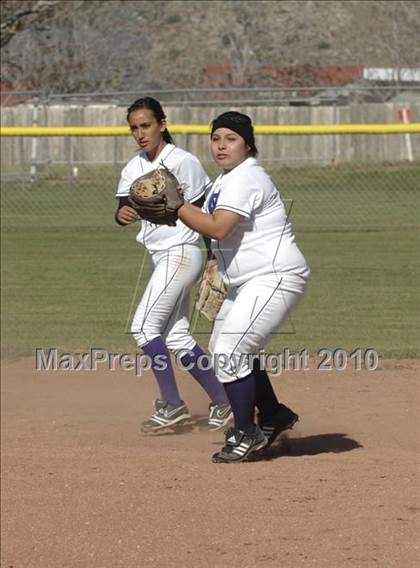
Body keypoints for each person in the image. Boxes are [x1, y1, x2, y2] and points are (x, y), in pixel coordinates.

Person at [174, 111, 311, 463]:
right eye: (216, 138)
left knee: (232, 348)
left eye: (231, 138)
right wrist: (212, 259)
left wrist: (177, 206)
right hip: (251, 279)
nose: (221, 145)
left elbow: (219, 227)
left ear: (248, 145)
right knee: (225, 347)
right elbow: (211, 228)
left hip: (276, 275)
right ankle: (273, 415)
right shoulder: (226, 179)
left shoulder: (245, 178)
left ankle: (245, 432)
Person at [115, 97, 232, 432]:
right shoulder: (133, 167)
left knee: (142, 327)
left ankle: (173, 404)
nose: (140, 133)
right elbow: (124, 206)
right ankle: (224, 402)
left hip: (182, 252)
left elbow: (206, 214)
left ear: (162, 125)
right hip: (161, 257)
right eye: (134, 127)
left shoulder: (182, 161)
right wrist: (122, 215)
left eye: (146, 125)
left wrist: (215, 259)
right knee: (177, 336)